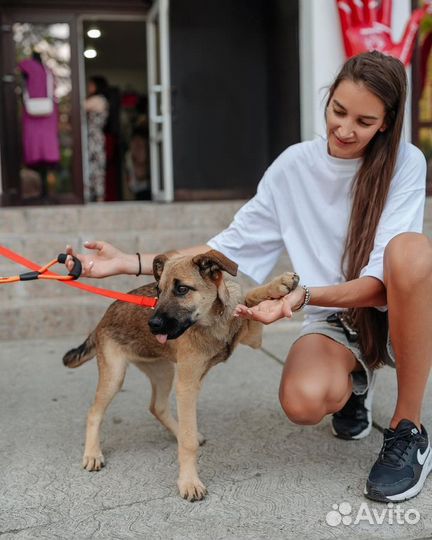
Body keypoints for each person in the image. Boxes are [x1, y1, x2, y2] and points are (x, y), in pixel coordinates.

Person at [66, 51, 431, 503]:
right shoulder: (294, 166)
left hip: (392, 310)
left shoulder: (406, 163)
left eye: (363, 120)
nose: (344, 129)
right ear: (329, 97)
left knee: (411, 252)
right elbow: (228, 248)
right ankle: (355, 384)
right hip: (333, 318)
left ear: (387, 122)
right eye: (338, 110)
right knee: (303, 401)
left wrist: (301, 296)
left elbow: (380, 281)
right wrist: (126, 263)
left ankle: (407, 429)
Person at [84, 75, 109, 202]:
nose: (89, 87)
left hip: (95, 139)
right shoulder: (97, 99)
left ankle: (99, 198)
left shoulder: (99, 100)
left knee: (96, 168)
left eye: (91, 84)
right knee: (91, 167)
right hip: (92, 138)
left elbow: (80, 106)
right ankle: (93, 196)